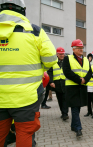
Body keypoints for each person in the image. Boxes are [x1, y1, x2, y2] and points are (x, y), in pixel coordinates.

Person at [0, 0, 57, 146]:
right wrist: (39, 67)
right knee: (24, 133)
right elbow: (51, 59)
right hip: (26, 97)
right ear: (23, 11)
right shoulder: (34, 31)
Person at [63, 39, 92, 138]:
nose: (81, 50)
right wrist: (79, 80)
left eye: (82, 48)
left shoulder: (86, 60)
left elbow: (90, 72)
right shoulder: (68, 58)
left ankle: (73, 126)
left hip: (82, 87)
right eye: (79, 48)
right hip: (72, 87)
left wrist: (85, 80)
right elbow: (67, 72)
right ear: (73, 49)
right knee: (75, 108)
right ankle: (78, 128)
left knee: (78, 107)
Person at [47, 47, 69, 120]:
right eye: (60, 54)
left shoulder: (67, 61)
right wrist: (51, 82)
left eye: (63, 54)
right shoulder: (53, 62)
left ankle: (65, 113)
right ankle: (63, 113)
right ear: (57, 54)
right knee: (60, 99)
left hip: (65, 82)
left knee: (65, 98)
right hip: (57, 83)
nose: (62, 55)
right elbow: (49, 73)